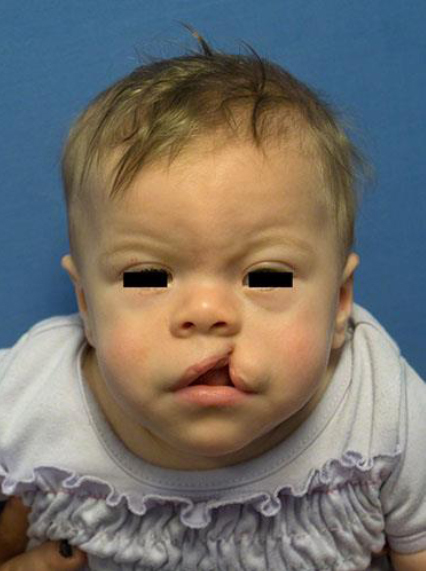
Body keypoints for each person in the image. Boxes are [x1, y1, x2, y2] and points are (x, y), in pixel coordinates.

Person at [0, 22, 425, 570]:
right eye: (148, 277)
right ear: (86, 306)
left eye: (265, 276)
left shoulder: (380, 409)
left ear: (340, 303)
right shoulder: (28, 398)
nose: (206, 313)